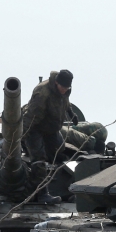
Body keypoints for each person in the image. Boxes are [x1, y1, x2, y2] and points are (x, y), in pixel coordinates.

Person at [22, 69, 75, 204]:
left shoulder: (64, 89)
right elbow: (32, 116)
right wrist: (23, 135)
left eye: (67, 87)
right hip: (35, 128)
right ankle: (41, 194)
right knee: (39, 159)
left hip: (51, 128)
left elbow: (65, 101)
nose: (65, 90)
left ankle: (66, 188)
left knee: (59, 151)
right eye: (63, 87)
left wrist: (71, 113)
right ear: (56, 82)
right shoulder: (42, 92)